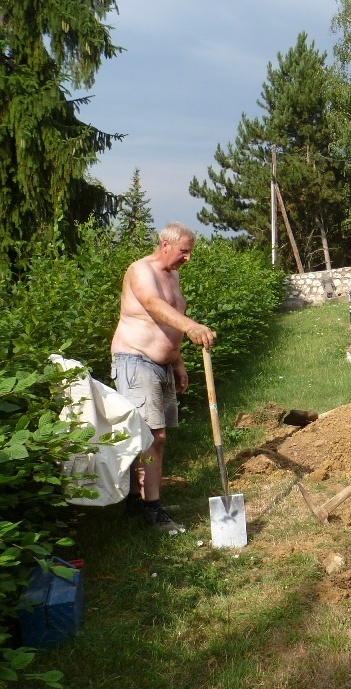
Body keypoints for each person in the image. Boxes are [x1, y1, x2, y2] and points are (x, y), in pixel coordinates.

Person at [110, 222, 216, 534]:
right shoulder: (141, 270)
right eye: (184, 251)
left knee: (151, 438)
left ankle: (137, 501)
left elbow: (166, 329)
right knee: (152, 438)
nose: (187, 258)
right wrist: (192, 326)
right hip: (135, 360)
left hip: (161, 366)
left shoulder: (174, 276)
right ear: (165, 244)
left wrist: (178, 362)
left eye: (190, 252)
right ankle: (152, 510)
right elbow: (154, 308)